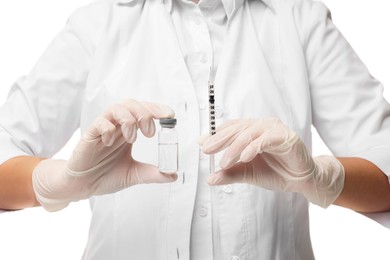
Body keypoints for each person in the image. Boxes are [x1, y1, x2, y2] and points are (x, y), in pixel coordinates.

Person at [1, 0, 390, 259]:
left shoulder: (297, 17)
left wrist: (321, 178)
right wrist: (62, 181)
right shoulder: (100, 20)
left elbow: (384, 165)